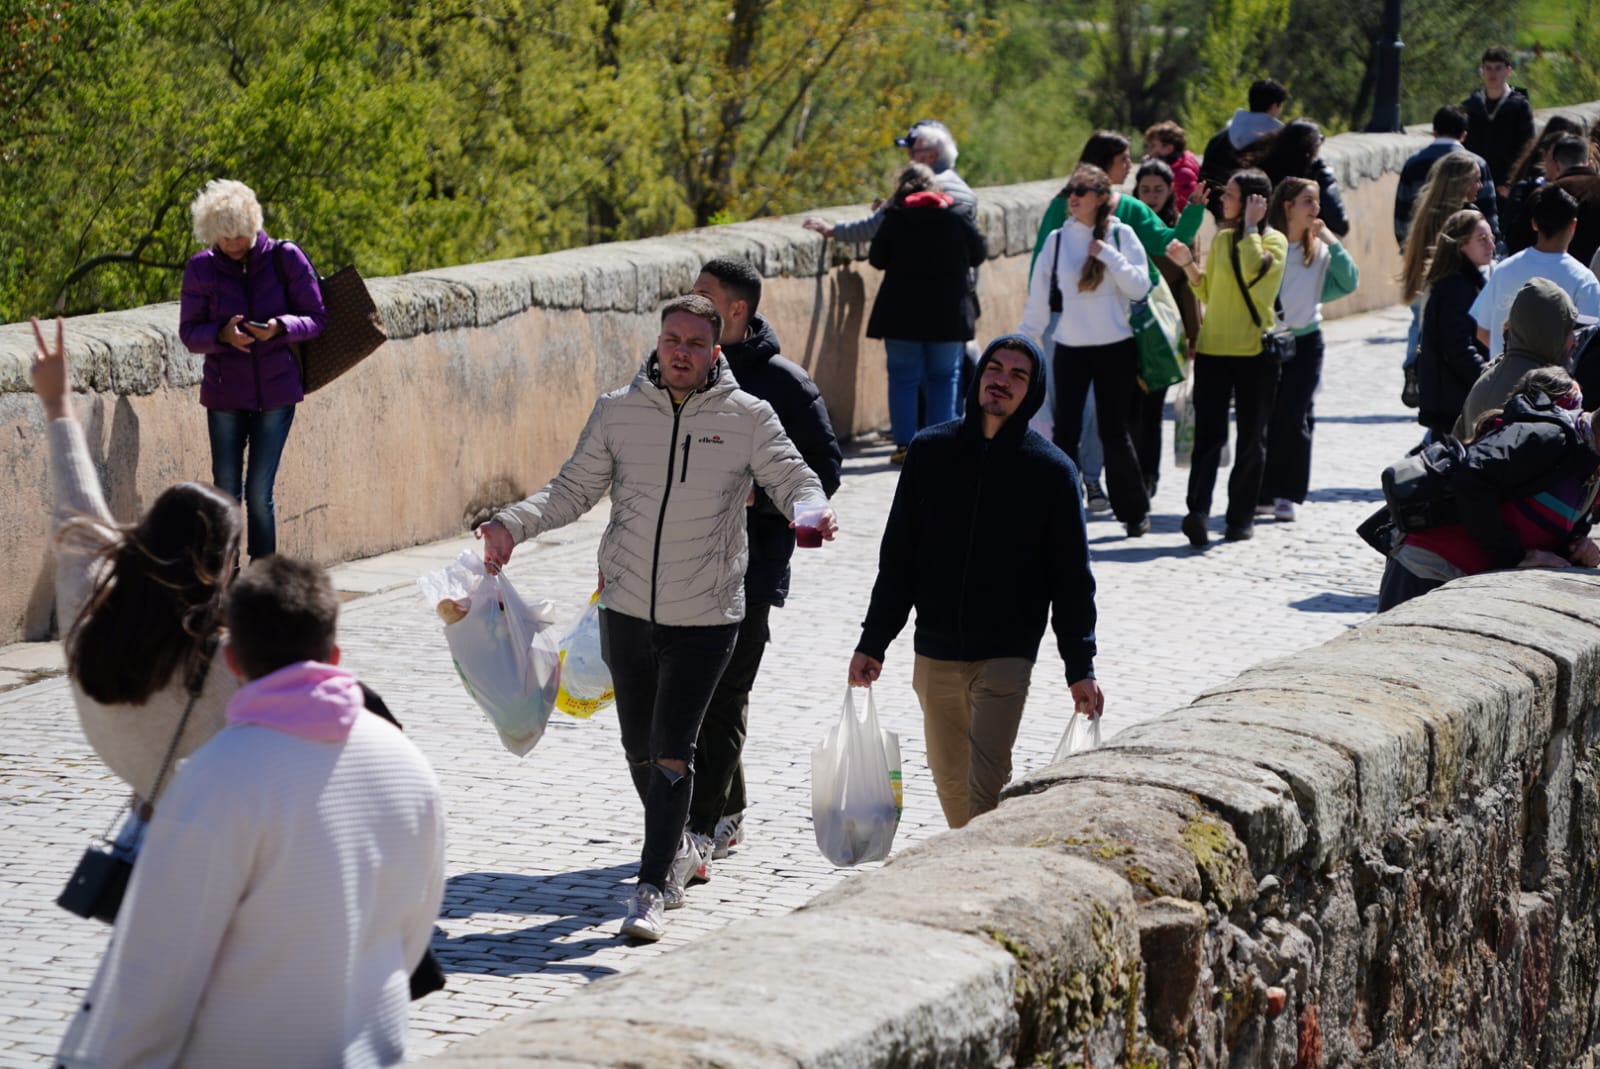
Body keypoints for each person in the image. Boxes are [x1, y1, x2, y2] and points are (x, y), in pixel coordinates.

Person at [475, 295, 834, 942]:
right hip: (628, 611)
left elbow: (794, 477)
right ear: (659, 341)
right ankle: (678, 847)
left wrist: (809, 510)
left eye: (696, 343)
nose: (681, 352)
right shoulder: (619, 410)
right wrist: (510, 525)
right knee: (638, 745)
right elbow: (570, 490)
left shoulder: (748, 416)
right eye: (673, 339)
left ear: (715, 353)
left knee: (673, 749)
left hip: (706, 614)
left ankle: (652, 884)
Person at [55, 556, 447, 1068]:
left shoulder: (215, 778)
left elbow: (158, 968)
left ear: (232, 659)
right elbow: (414, 933)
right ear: (333, 653)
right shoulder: (409, 764)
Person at [847, 335, 1103, 829]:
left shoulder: (1053, 473)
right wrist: (872, 643)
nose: (1002, 380)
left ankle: (980, 892)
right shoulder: (929, 451)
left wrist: (1081, 666)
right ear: (979, 374)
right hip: (935, 654)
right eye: (995, 368)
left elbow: (1072, 580)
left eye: (1018, 375)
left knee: (985, 786)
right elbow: (898, 560)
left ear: (1032, 392)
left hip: (1005, 657)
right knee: (950, 786)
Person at [29, 315, 240, 810]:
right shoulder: (224, 670)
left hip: (148, 820)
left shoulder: (90, 611)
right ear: (215, 564)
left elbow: (77, 509)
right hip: (213, 851)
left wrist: (56, 404)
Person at [686, 258, 843, 876]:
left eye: (704, 296)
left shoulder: (784, 383)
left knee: (725, 692)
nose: (689, 305)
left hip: (751, 565)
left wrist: (762, 489)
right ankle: (727, 808)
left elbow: (824, 473)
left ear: (737, 311)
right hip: (678, 562)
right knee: (692, 697)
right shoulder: (677, 365)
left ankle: (699, 828)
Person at [1028, 130, 1208, 507]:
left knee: (1107, 422)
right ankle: (1068, 491)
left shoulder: (1125, 219)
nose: (1131, 165)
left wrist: (1192, 210)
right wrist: (1029, 332)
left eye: (1079, 194)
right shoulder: (1061, 220)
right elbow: (1040, 275)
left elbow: (1166, 246)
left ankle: (1106, 489)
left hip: (1115, 338)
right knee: (1072, 421)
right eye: (1124, 159)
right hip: (1066, 332)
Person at [178, 179, 326, 560]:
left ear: (254, 224)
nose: (233, 245)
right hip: (225, 393)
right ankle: (223, 576)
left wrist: (279, 327)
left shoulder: (286, 257)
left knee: (260, 494)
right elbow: (190, 333)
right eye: (224, 239)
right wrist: (223, 335)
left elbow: (316, 317)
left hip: (276, 393)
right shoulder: (201, 269)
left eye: (240, 236)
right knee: (225, 491)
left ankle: (263, 580)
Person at [1378, 367, 1600, 611]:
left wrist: (1577, 546)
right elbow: (1471, 477)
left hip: (1470, 577)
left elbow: (1546, 515)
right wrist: (1514, 556)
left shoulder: (1588, 459)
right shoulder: (1551, 436)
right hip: (1432, 565)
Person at [1019, 164, 1153, 537]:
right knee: (1066, 432)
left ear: (1101, 198)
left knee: (1114, 431)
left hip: (1116, 348)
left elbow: (1140, 287)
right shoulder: (1057, 240)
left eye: (1080, 191)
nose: (1072, 198)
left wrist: (1109, 255)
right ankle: (1060, 513)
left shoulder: (1121, 235)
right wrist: (1021, 345)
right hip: (1070, 348)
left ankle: (1134, 512)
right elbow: (1037, 305)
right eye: (1069, 191)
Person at [1165, 169, 1288, 545]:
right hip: (1214, 351)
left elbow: (1254, 272)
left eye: (1232, 194)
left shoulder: (1274, 242)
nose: (1223, 199)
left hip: (1255, 354)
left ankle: (1239, 518)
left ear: (1254, 202)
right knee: (1209, 436)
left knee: (1252, 439)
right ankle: (1197, 511)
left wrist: (1250, 229)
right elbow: (1208, 295)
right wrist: (1187, 264)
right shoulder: (1219, 241)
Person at [865, 163, 987, 463]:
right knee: (944, 378)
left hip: (901, 314)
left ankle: (905, 445)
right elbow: (979, 253)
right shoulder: (957, 216)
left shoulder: (895, 218)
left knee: (903, 378)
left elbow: (877, 259)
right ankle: (940, 445)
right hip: (948, 314)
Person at [1257, 177, 1359, 523]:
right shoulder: (1267, 245)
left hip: (1306, 343)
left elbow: (1349, 280)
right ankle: (1263, 491)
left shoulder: (1320, 251)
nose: (1315, 209)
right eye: (1308, 202)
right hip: (1268, 341)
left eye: (1315, 202)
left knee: (1294, 416)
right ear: (1287, 206)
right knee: (1267, 415)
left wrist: (1330, 237)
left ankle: (1288, 492)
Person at [1133, 158, 1202, 497]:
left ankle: (1148, 477)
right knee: (1129, 410)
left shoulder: (1181, 233)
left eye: (1158, 189)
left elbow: (1190, 287)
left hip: (1164, 332)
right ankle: (1132, 475)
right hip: (1129, 332)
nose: (1151, 196)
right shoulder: (1126, 226)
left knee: (1150, 412)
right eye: (1145, 190)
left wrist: (1193, 334)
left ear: (1170, 191)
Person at [1468, 185, 1600, 363]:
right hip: (1555, 386)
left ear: (1534, 223)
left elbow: (1483, 331)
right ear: (1573, 225)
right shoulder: (1584, 280)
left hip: (1502, 380)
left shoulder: (1503, 269)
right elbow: (1590, 342)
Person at [1457, 278, 1598, 438]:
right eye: (1569, 330)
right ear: (1551, 334)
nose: (1575, 340)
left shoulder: (1491, 373)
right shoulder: (1542, 393)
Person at [1398, 152, 1491, 396]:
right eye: (1475, 180)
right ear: (1460, 182)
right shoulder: (1464, 218)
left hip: (1427, 287)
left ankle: (1415, 371)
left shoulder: (1428, 211)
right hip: (1452, 291)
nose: (1479, 186)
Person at [801, 118, 976, 240]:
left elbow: (876, 226)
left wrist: (833, 230)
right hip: (962, 287)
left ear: (930, 156)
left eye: (912, 152)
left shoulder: (923, 188)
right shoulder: (964, 190)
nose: (909, 158)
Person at [1414, 210, 1495, 440]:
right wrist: (1487, 380)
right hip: (1453, 401)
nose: (1491, 245)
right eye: (1482, 240)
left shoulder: (1467, 282)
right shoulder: (1456, 288)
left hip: (1454, 397)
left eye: (1491, 238)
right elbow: (1458, 347)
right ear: (1461, 245)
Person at [1393, 105, 1499, 249]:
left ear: (1434, 132)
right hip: (1467, 252)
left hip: (1421, 249)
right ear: (1464, 135)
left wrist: (1408, 249)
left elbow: (1402, 213)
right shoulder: (1477, 164)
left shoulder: (1413, 164)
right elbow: (1489, 213)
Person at [1462, 46, 1536, 223]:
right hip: (1475, 186)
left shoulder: (1519, 106)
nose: (1492, 73)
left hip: (1505, 188)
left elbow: (1528, 148)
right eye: (1488, 68)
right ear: (1482, 71)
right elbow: (1463, 147)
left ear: (1508, 70)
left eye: (1498, 68)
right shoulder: (1471, 106)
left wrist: (1512, 182)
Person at [1199, 78, 1288, 223]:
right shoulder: (1281, 143)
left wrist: (1222, 213)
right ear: (1274, 107)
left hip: (1225, 219)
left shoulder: (1219, 139)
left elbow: (1205, 181)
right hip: (1265, 221)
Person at [1501, 115, 1586, 251]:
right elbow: (1512, 234)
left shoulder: (1586, 191)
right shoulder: (1525, 191)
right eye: (1557, 154)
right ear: (1544, 156)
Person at [1254, 118, 1350, 237]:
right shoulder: (1318, 174)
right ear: (1313, 147)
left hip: (1263, 241)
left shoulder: (1262, 169)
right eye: (1320, 139)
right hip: (1300, 247)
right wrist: (1325, 174)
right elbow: (1340, 224)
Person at [1546, 136, 1600, 267]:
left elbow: (1520, 241)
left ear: (1555, 165)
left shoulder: (1546, 195)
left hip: (1554, 277)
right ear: (1589, 163)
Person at [1143, 120, 1201, 207]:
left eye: (1153, 146)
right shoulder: (1175, 167)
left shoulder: (1183, 174)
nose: (1149, 152)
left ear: (1169, 148)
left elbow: (1183, 207)